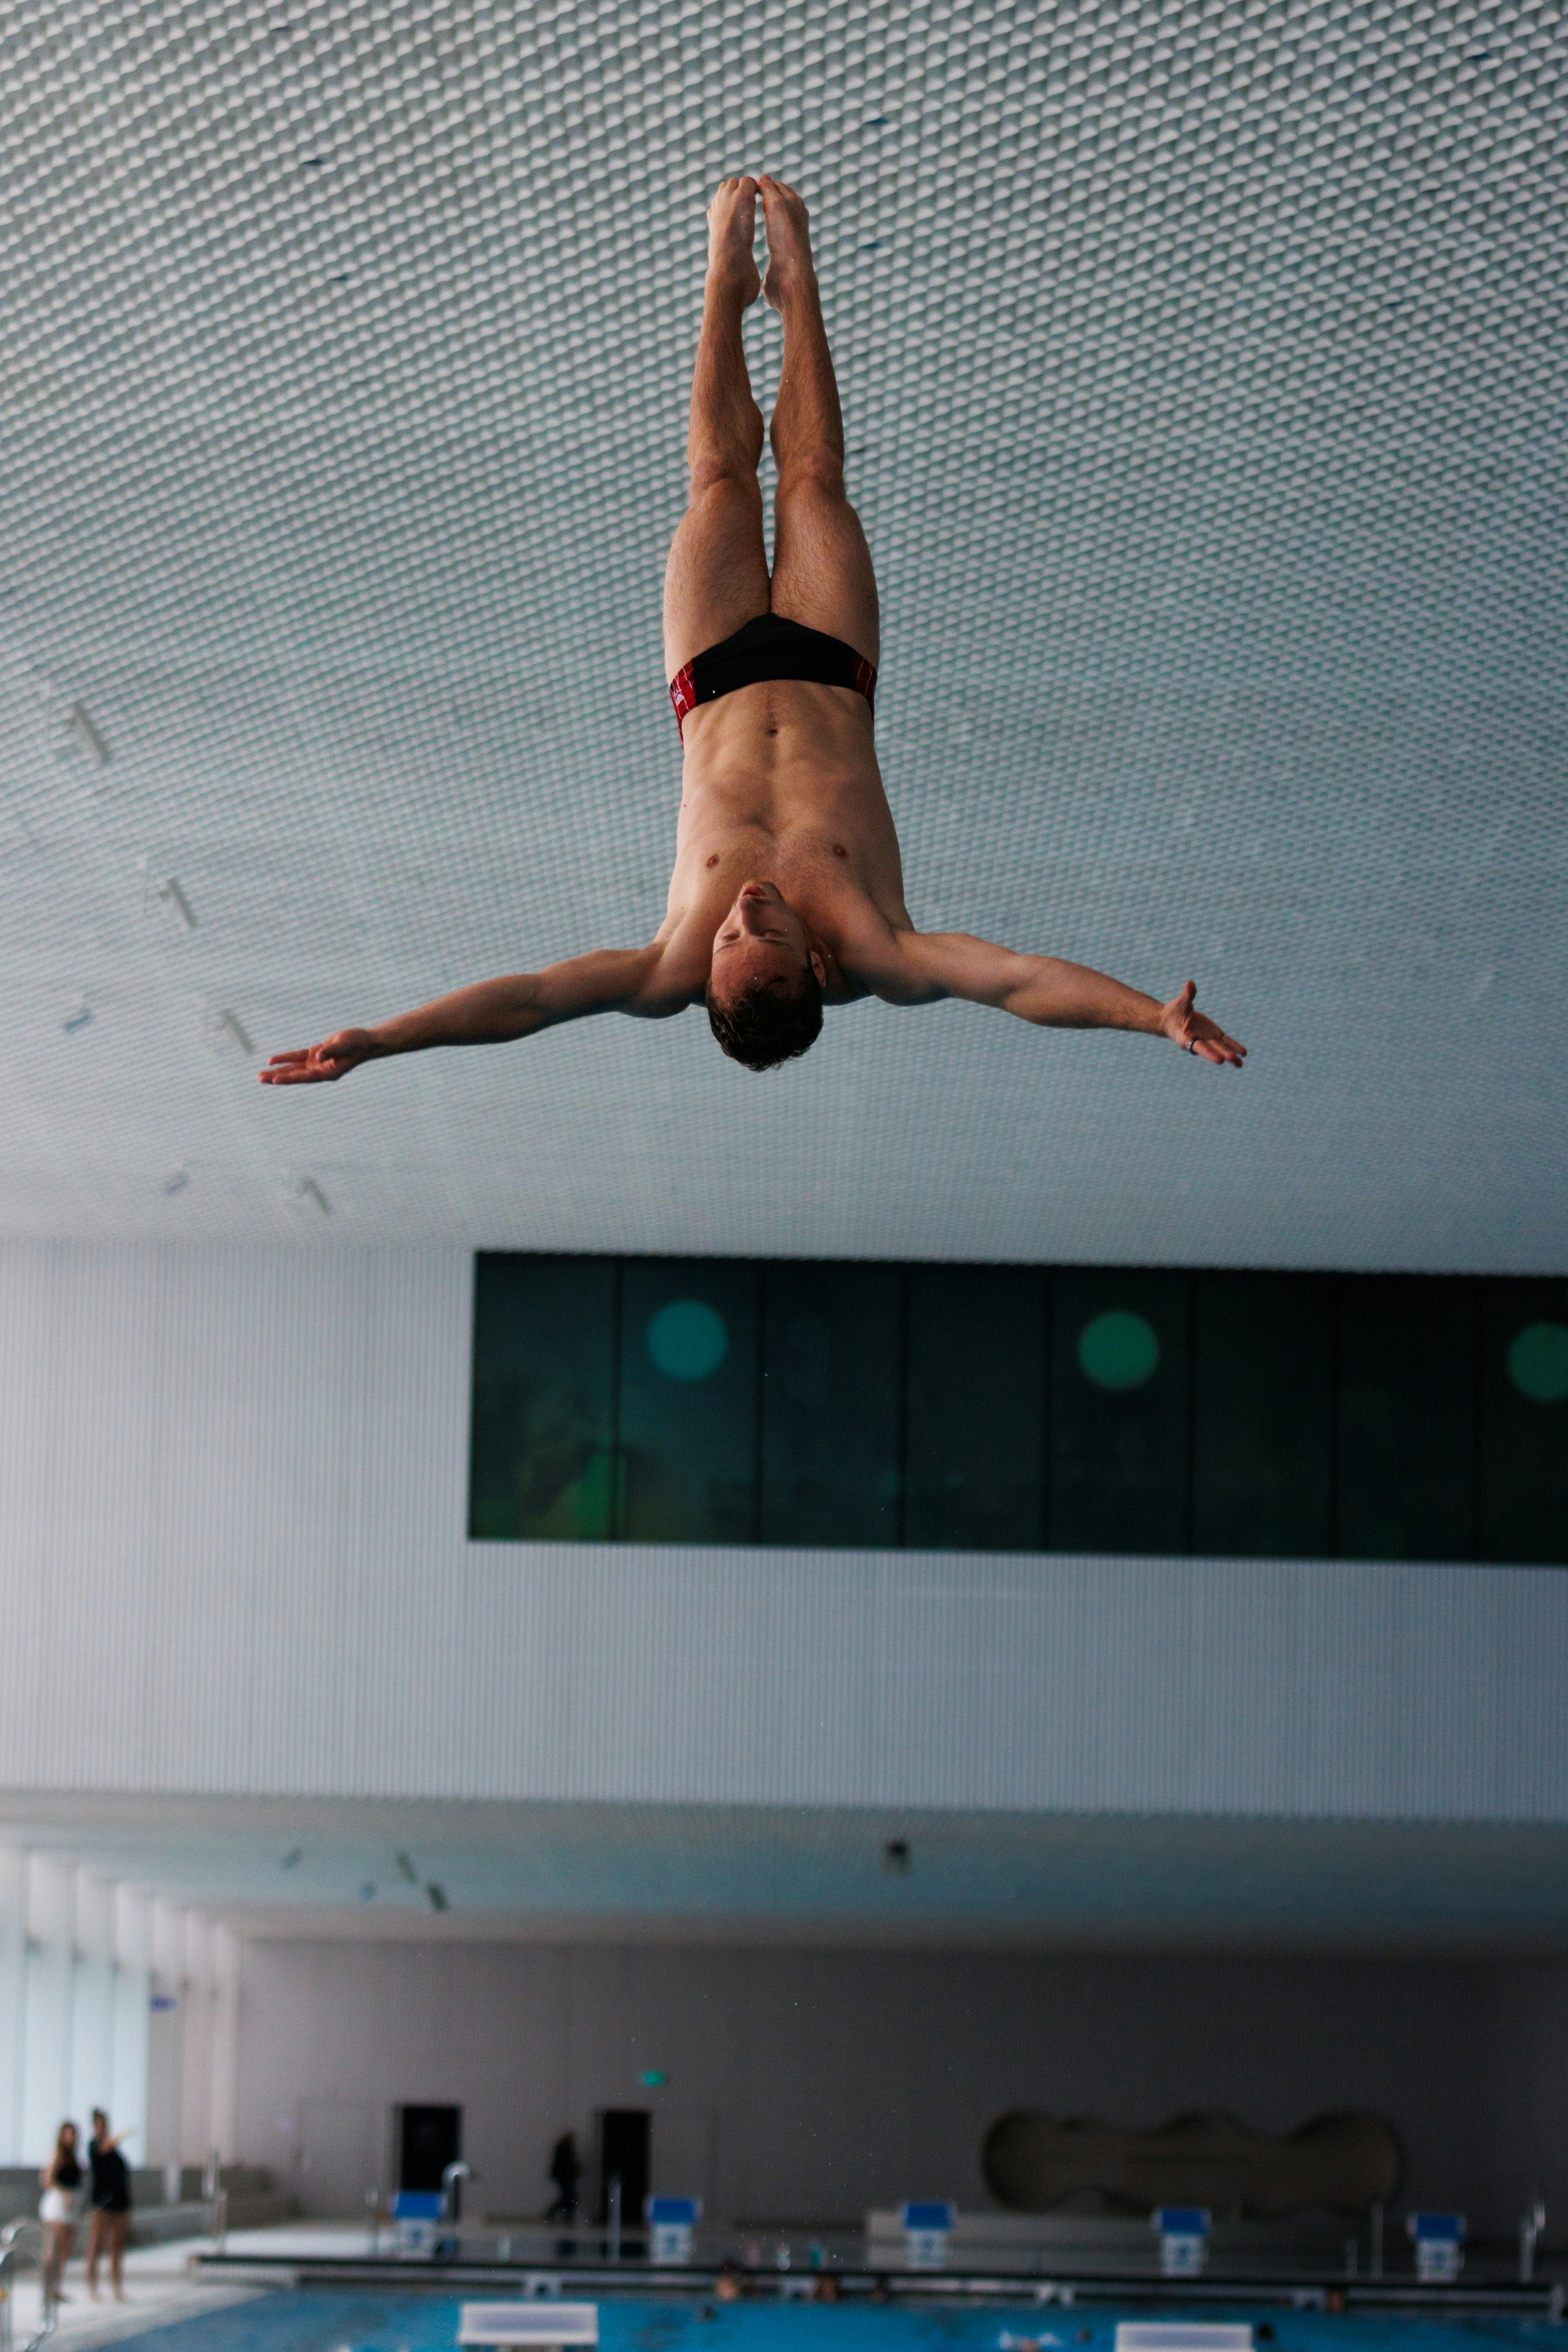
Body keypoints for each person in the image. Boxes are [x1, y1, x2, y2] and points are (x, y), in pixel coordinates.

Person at [258, 177, 1246, 1090]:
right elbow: (1019, 982)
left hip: (711, 677)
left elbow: (532, 1000)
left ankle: (724, 286)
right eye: (763, 935)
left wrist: (382, 1039)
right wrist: (1149, 1018)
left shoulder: (671, 964)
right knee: (813, 479)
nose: (742, 912)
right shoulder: (881, 952)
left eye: (728, 942)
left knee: (717, 482)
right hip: (830, 667)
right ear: (819, 966)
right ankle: (797, 284)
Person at [85, 2109, 133, 2302]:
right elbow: (101, 2150)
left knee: (117, 2248)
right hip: (102, 2205)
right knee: (96, 2246)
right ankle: (92, 2286)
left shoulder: (115, 2153)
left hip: (120, 2204)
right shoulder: (94, 2146)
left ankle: (117, 2286)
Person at [39, 2120, 82, 2305]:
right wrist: (64, 2193)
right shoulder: (58, 2155)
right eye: (69, 2134)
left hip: (71, 2207)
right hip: (58, 2206)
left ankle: (57, 2288)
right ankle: (48, 2288)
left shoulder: (74, 2157)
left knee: (65, 2251)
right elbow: (47, 2179)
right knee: (53, 2249)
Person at [543, 2129, 580, 2224]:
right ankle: (565, 2215)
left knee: (568, 2197)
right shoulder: (564, 2149)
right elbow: (566, 2164)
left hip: (565, 2176)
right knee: (569, 2197)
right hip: (565, 2177)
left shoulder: (563, 2149)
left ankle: (561, 2214)